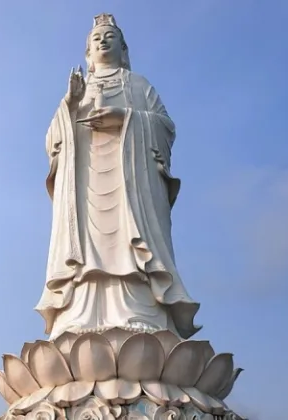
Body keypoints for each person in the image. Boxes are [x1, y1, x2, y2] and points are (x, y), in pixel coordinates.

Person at [37, 13, 199, 340]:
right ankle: (78, 317)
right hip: (86, 184)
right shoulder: (78, 90)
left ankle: (140, 314)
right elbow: (52, 141)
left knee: (131, 242)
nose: (102, 41)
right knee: (84, 251)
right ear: (87, 51)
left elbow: (166, 128)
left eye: (109, 36)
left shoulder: (138, 85)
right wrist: (70, 103)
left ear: (123, 49)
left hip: (131, 183)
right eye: (96, 38)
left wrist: (125, 118)